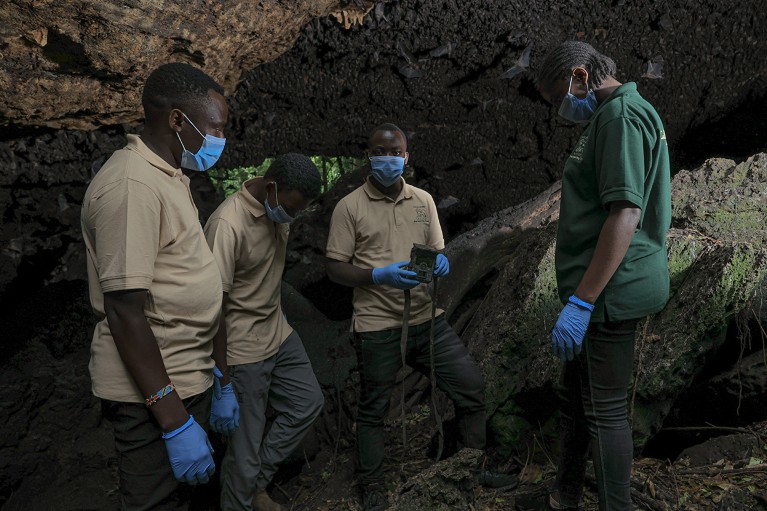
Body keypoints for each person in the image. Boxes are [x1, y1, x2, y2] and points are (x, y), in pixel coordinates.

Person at [325, 123, 517, 511]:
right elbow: (334, 268)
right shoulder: (349, 207)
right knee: (374, 409)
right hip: (376, 326)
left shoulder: (423, 200)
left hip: (427, 320)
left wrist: (441, 264)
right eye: (382, 151)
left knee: (471, 387)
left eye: (396, 152)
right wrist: (378, 274)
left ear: (407, 157)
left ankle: (470, 466)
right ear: (369, 156)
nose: (389, 158)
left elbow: (436, 251)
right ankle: (373, 487)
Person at [525, 41, 671, 510]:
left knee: (605, 410)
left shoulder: (621, 117)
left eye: (557, 97)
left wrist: (583, 301)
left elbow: (626, 212)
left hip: (610, 290)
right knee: (576, 400)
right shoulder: (608, 116)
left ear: (582, 76)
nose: (560, 109)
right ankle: (563, 496)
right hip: (597, 288)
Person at [81, 62, 230, 510]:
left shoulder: (166, 175)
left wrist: (217, 376)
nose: (222, 138)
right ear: (177, 120)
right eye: (216, 127)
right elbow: (125, 311)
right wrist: (174, 422)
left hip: (188, 378)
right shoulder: (131, 187)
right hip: (154, 398)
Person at [204, 153, 325, 511]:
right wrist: (223, 380)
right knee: (243, 453)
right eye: (291, 208)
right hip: (241, 349)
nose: (294, 216)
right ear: (271, 187)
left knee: (308, 403)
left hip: (278, 333)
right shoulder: (227, 225)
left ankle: (257, 484)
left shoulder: (279, 209)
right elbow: (213, 307)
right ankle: (241, 497)